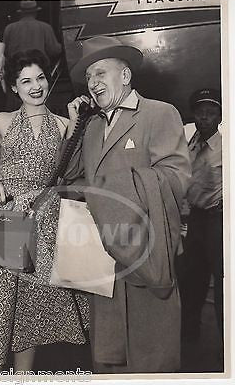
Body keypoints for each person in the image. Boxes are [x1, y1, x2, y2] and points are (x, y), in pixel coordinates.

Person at [0, 49, 89, 373]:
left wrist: (78, 124)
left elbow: (74, 172)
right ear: (14, 86)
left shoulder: (65, 125)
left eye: (40, 78)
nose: (35, 86)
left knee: (28, 314)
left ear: (49, 81)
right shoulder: (1, 121)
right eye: (26, 81)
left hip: (44, 223)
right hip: (3, 218)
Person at [65, 35, 191, 373]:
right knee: (108, 358)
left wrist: (107, 195)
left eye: (101, 73)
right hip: (103, 261)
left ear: (125, 76)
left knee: (151, 359)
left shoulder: (159, 113)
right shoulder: (90, 128)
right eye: (89, 76)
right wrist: (73, 125)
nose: (93, 83)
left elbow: (176, 178)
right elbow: (68, 180)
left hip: (146, 252)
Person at [178, 89, 223, 343]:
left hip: (218, 221)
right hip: (194, 220)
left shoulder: (228, 142)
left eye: (211, 112)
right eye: (200, 112)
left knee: (223, 284)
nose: (205, 117)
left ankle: (226, 347)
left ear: (219, 115)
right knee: (192, 281)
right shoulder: (187, 139)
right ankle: (189, 340)